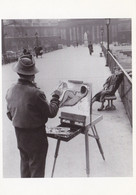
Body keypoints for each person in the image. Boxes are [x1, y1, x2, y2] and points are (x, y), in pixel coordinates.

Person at [5, 54, 61, 178]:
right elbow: (51, 113)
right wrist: (56, 97)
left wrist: (22, 120)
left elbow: (9, 113)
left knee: (25, 166)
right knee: (37, 168)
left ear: (18, 73)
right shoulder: (36, 93)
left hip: (19, 135)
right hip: (36, 136)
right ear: (32, 75)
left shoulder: (10, 90)